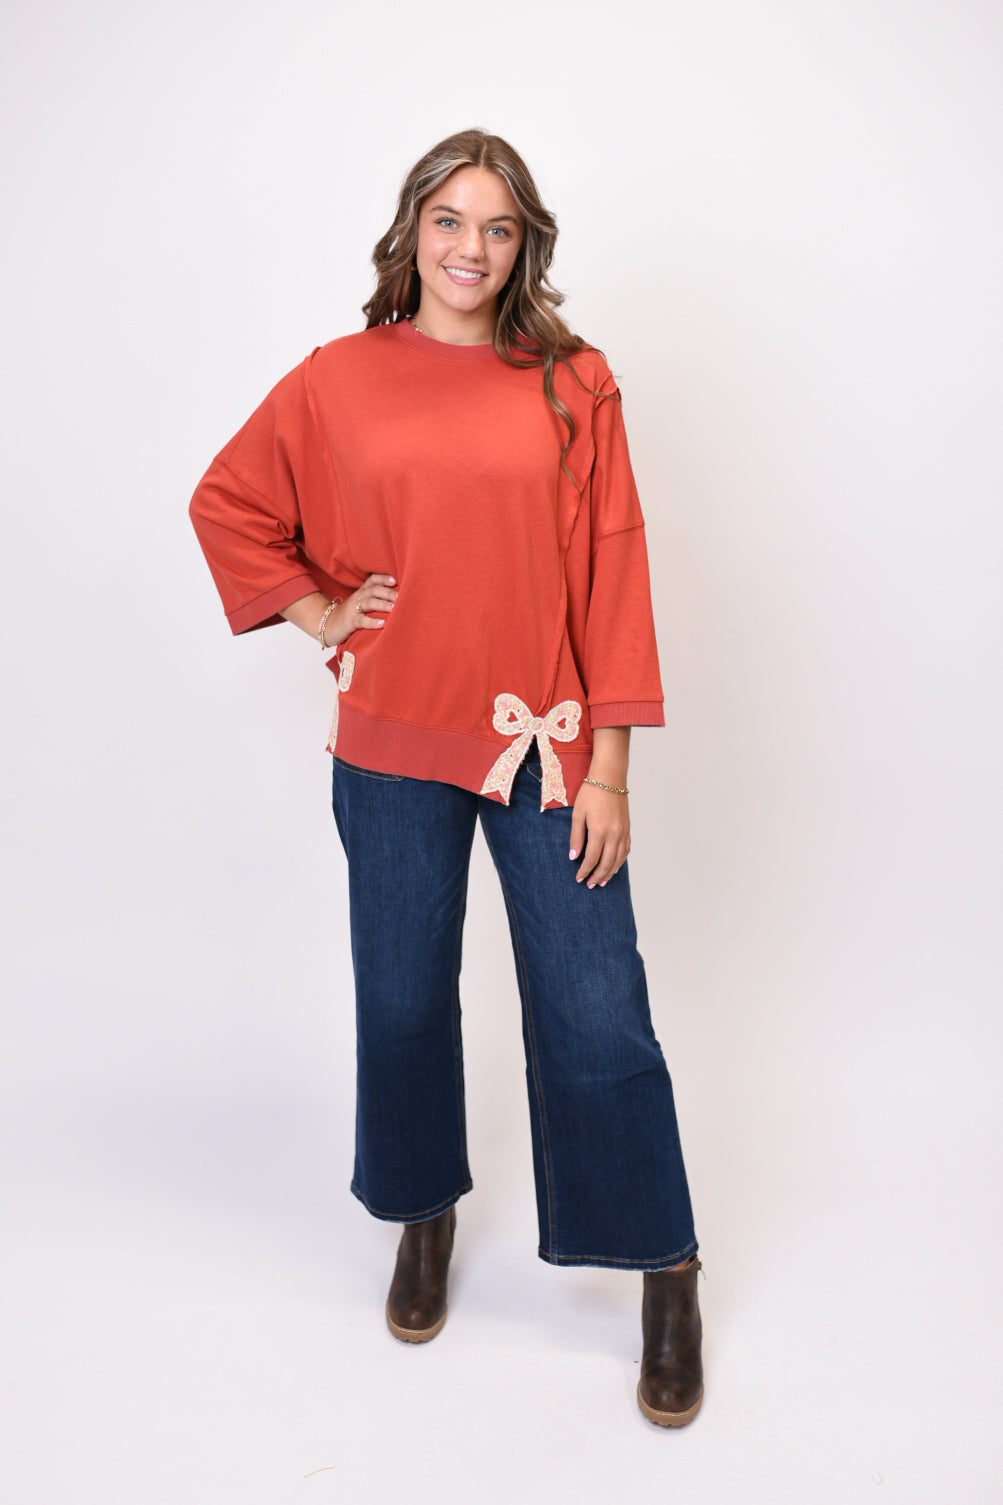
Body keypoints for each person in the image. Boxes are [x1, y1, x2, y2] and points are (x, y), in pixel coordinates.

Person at [189, 128, 704, 1427]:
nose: (473, 248)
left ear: (525, 245)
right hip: (390, 745)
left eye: (499, 227)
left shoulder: (574, 381)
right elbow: (229, 501)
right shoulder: (339, 378)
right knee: (404, 994)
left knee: (596, 1008)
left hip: (545, 748)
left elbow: (615, 573)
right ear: (411, 231)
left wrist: (610, 771)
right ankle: (423, 1212)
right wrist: (320, 613)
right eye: (451, 221)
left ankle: (665, 1265)